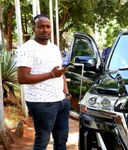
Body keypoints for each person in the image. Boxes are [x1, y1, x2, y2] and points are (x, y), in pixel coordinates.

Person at [16, 14, 71, 150]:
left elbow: (60, 72)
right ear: (34, 29)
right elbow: (22, 78)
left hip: (61, 101)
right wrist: (51, 75)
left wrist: (66, 93)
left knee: (61, 140)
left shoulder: (53, 48)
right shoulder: (28, 48)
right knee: (42, 141)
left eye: (48, 26)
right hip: (42, 103)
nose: (45, 30)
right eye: (40, 27)